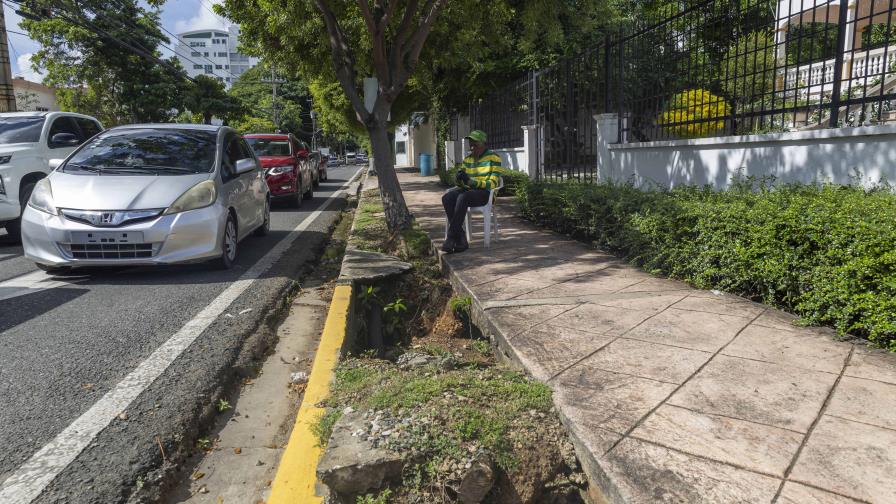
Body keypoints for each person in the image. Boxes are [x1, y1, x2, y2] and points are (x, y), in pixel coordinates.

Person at [441, 130, 504, 253]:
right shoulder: (468, 160)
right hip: (469, 191)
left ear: (483, 143)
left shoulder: (494, 158)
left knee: (463, 197)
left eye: (476, 144)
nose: (472, 147)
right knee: (447, 198)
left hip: (485, 193)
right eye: (471, 144)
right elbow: (462, 183)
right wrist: (459, 179)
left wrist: (472, 182)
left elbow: (492, 183)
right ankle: (461, 239)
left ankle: (451, 237)